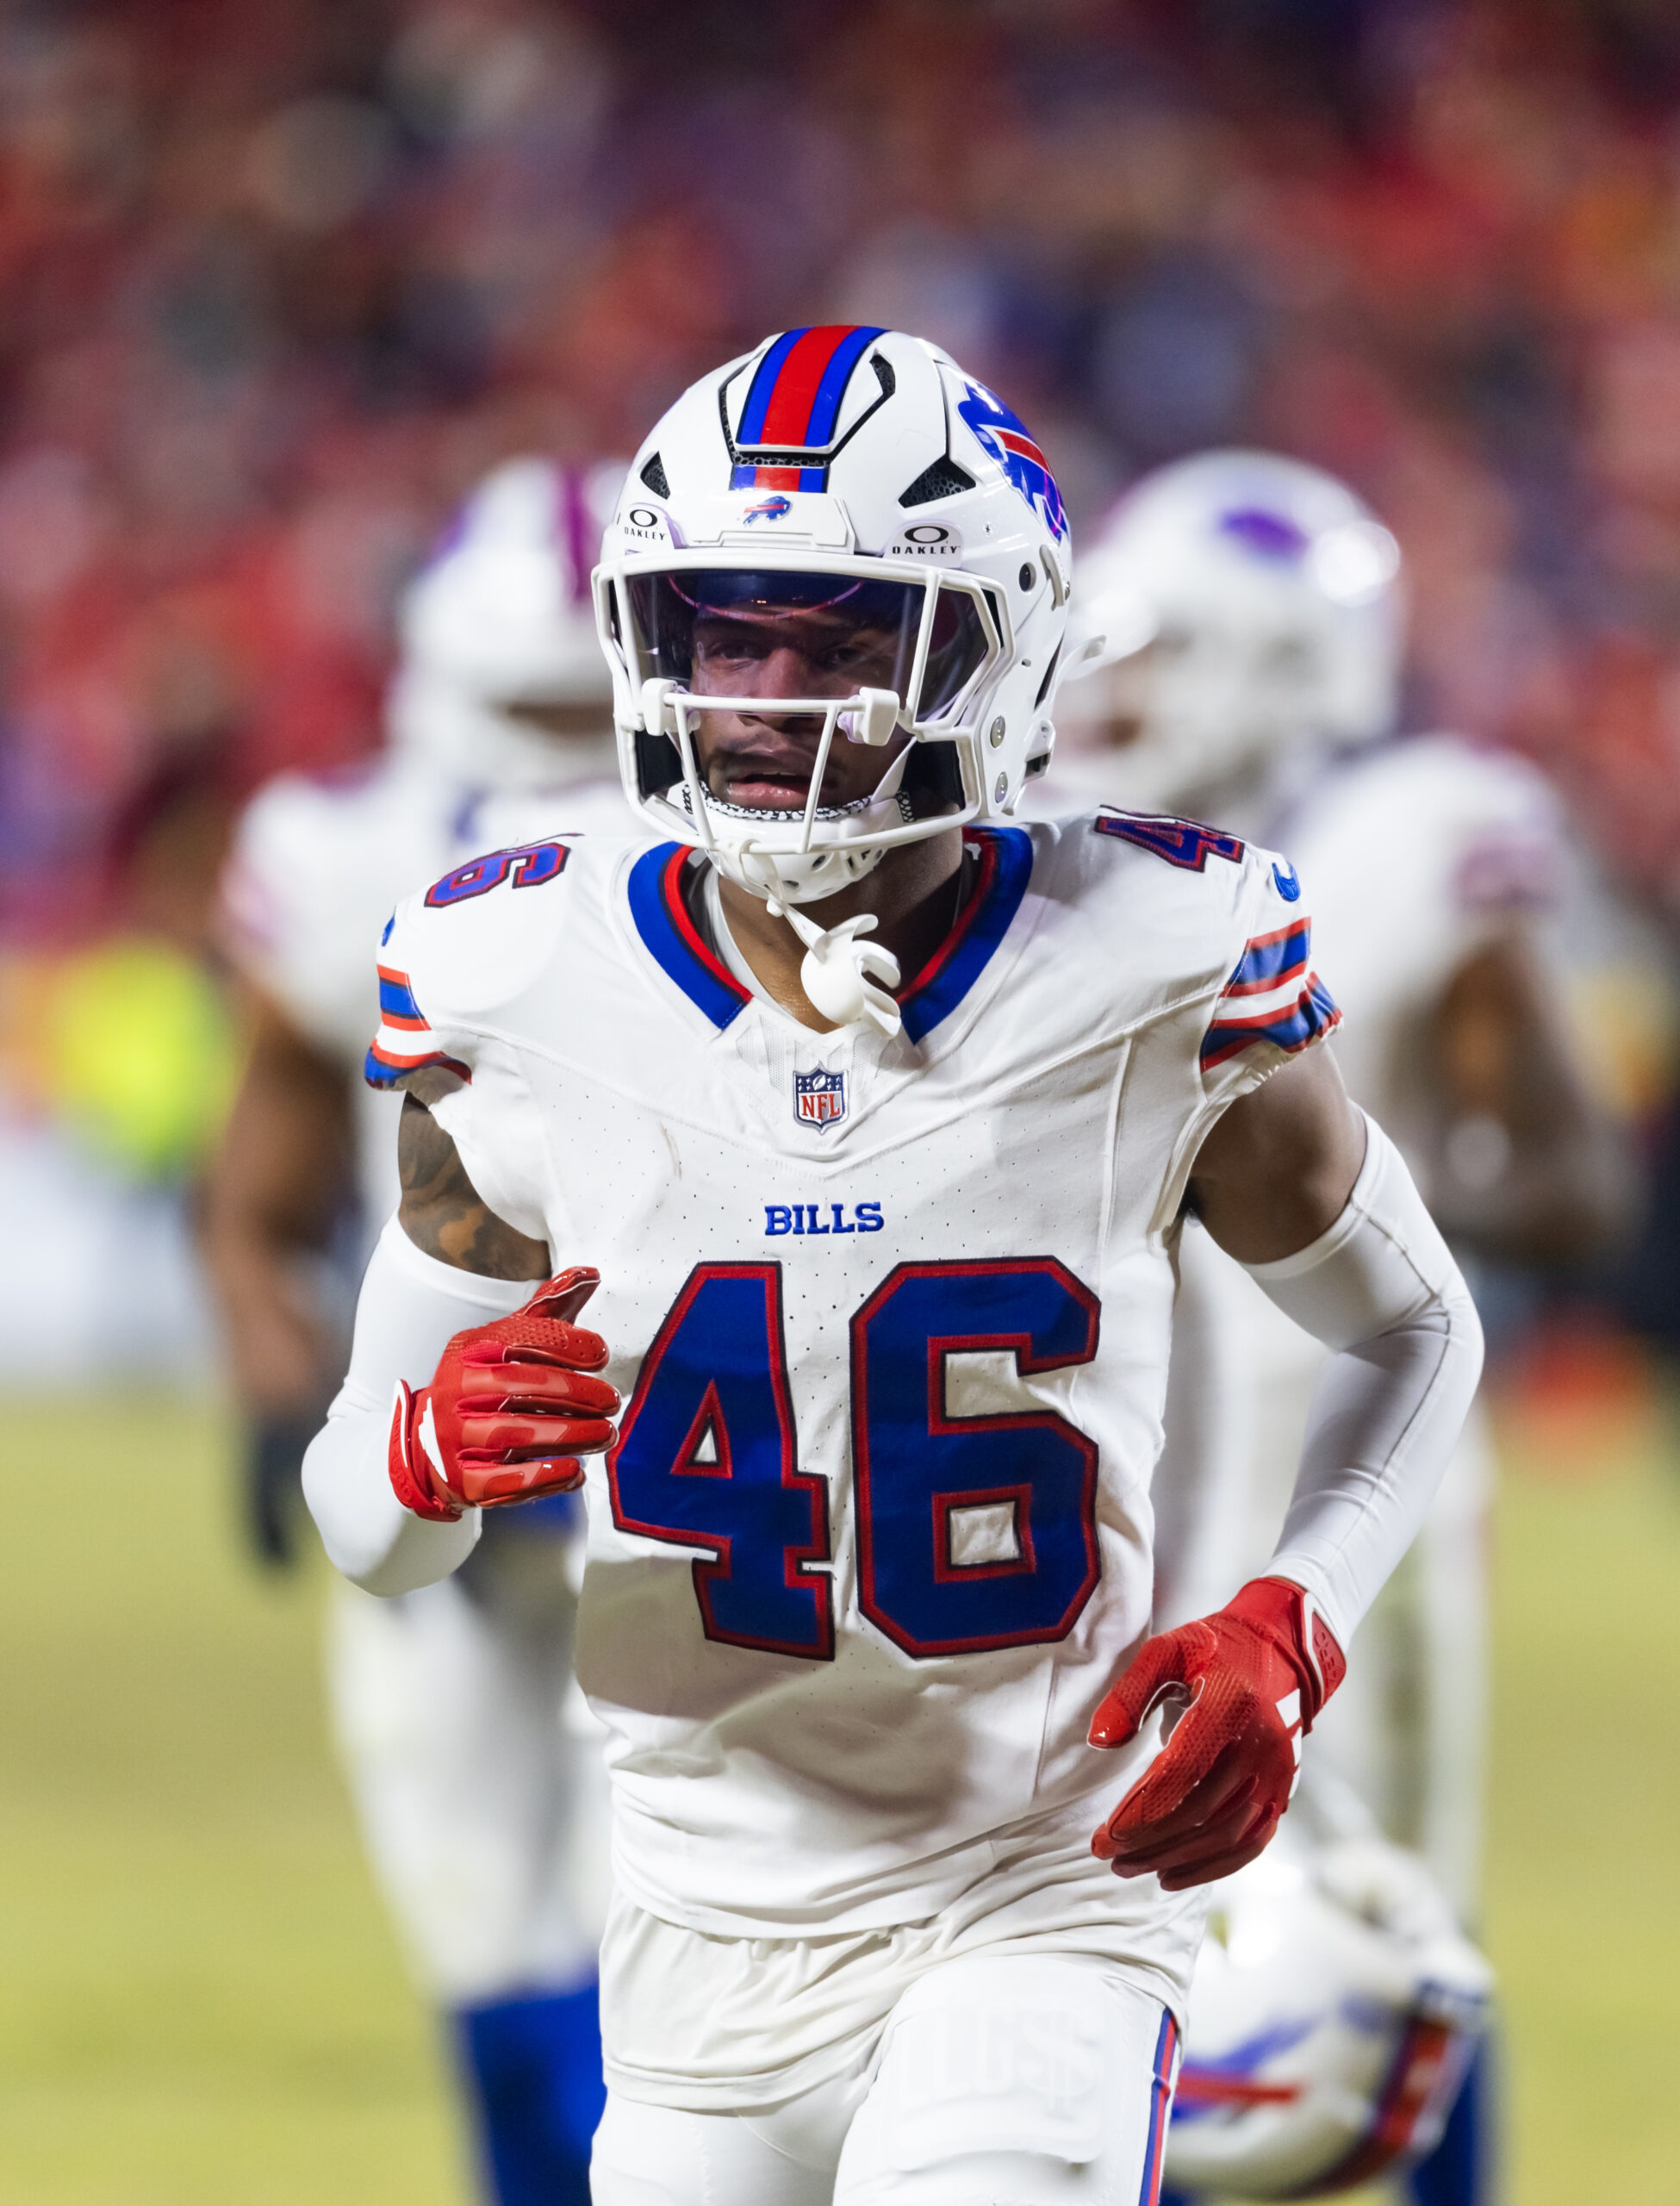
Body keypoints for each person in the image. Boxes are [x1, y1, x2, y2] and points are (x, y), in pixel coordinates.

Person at [301, 326, 1484, 2206]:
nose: (767, 700)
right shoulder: (510, 981)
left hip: (1041, 1885)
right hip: (689, 1919)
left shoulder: (1154, 952)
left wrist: (1294, 1614)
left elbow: (1411, 1326)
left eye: (840, 636)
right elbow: (368, 1529)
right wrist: (423, 1454)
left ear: (1000, 652)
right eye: (722, 637)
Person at [1045, 448, 1630, 2206]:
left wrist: (1342, 1212)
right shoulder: (1086, 861)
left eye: (1163, 649)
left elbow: (1576, 1178)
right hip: (1102, 1466)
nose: (1119, 690)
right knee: (1096, 1921)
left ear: (1271, 658)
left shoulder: (1411, 835)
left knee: (1371, 1920)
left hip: (1332, 1466)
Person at [203, 456, 631, 2206]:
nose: (570, 766)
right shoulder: (342, 857)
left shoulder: (771, 867)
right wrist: (274, 1369)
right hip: (438, 1429)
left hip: (686, 1448)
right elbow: (257, 1179)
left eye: (597, 713)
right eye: (539, 711)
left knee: (665, 1939)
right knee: (482, 1930)